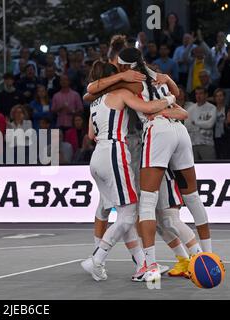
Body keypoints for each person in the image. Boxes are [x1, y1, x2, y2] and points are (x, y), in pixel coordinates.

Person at [117, 48, 213, 282]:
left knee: (147, 203)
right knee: (192, 196)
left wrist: (118, 77)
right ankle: (208, 256)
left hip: (158, 130)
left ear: (123, 65)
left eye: (118, 66)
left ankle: (149, 265)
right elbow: (178, 97)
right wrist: (169, 85)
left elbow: (93, 90)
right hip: (179, 131)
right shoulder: (157, 74)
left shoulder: (129, 80)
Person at [81, 61, 174, 282]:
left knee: (124, 214)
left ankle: (142, 264)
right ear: (113, 77)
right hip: (115, 152)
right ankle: (97, 259)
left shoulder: (94, 101)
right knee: (129, 213)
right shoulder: (120, 93)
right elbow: (149, 108)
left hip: (97, 157)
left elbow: (90, 135)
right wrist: (170, 99)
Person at [184, 87, 217, 160]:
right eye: (196, 94)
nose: (198, 96)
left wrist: (195, 123)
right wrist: (201, 125)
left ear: (206, 95)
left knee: (209, 167)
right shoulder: (190, 109)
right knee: (194, 168)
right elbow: (187, 126)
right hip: (193, 143)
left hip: (207, 143)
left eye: (201, 93)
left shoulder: (212, 108)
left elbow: (209, 124)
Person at [213, 89, 230, 159]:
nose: (219, 98)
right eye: (217, 96)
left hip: (225, 137)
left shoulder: (227, 109)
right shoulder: (212, 109)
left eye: (221, 95)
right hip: (214, 137)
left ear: (224, 97)